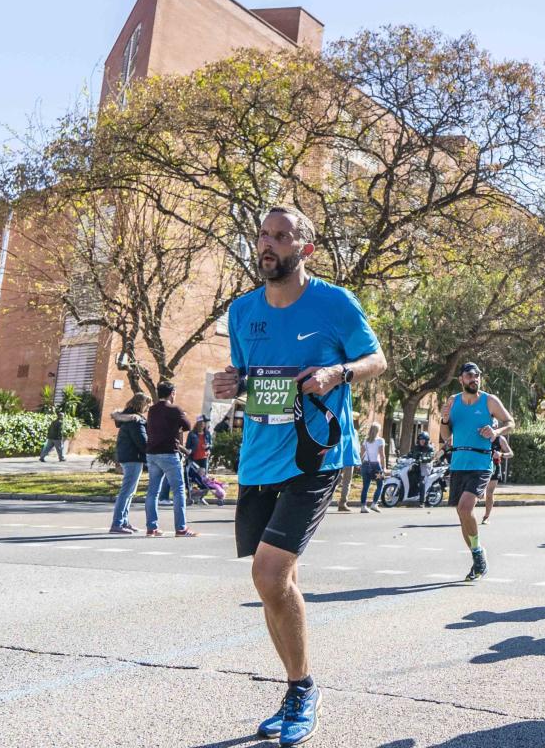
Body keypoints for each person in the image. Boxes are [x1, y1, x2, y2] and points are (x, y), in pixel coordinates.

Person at [212, 205, 387, 745]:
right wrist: (230, 384)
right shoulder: (242, 312)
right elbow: (247, 375)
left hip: (317, 455)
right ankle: (295, 690)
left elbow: (376, 359)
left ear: (304, 248)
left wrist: (340, 371)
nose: (268, 245)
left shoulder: (334, 303)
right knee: (277, 584)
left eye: (282, 237)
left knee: (268, 574)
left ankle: (302, 689)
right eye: (263, 235)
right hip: (259, 458)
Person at [437, 361, 513, 582]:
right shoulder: (453, 402)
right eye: (470, 375)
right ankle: (477, 557)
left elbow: (510, 421)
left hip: (481, 462)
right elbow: (445, 435)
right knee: (462, 515)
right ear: (461, 379)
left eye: (477, 375)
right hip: (458, 463)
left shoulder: (489, 400)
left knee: (465, 506)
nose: (474, 379)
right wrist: (443, 419)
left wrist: (496, 430)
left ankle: (478, 553)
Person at [144, 382, 196, 538]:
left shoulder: (152, 410)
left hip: (152, 453)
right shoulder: (175, 409)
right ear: (172, 393)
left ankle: (151, 528)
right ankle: (181, 528)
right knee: (178, 490)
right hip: (169, 453)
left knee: (153, 491)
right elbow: (187, 425)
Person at [107, 393, 149, 534]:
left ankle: (124, 521)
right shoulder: (135, 420)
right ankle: (117, 523)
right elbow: (142, 442)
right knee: (127, 492)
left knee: (129, 492)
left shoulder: (128, 417)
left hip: (127, 457)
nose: (147, 408)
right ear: (142, 404)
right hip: (133, 458)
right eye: (147, 405)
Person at [482, 431, 513, 524]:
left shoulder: (500, 439)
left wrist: (501, 454)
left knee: (489, 493)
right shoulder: (481, 437)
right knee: (476, 493)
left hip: (494, 468)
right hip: (480, 467)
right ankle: (469, 516)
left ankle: (486, 517)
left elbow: (511, 453)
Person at [354, 424, 385, 513]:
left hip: (365, 465)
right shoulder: (380, 441)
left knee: (365, 487)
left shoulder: (365, 441)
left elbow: (361, 454)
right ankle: (374, 504)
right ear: (378, 430)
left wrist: (359, 464)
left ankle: (363, 506)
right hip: (376, 466)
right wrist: (384, 467)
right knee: (380, 485)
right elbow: (382, 456)